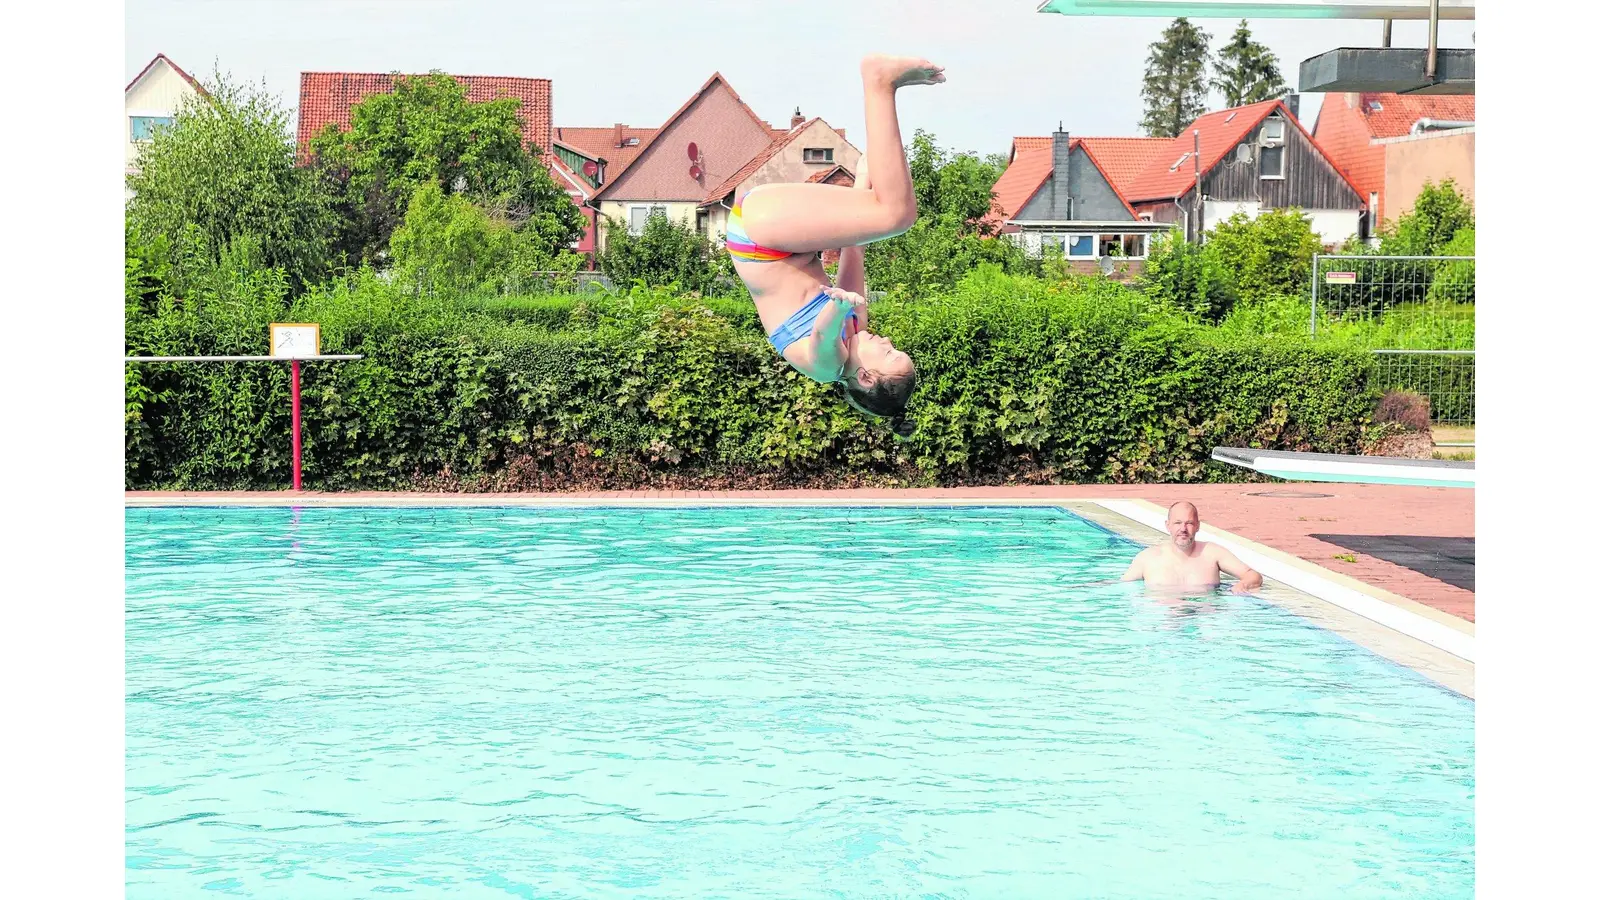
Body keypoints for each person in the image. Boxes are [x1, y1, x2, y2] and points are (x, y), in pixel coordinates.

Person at [725, 55, 944, 439]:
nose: (889, 341)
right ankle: (881, 88)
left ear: (865, 376)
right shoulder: (857, 325)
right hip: (784, 236)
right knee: (888, 213)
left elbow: (820, 338)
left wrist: (836, 305)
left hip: (759, 239)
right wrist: (862, 182)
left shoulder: (828, 367)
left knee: (897, 215)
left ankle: (879, 81)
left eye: (890, 353)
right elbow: (854, 246)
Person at [1121, 501, 1263, 595]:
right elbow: (1118, 588)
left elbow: (1253, 575)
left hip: (1206, 622)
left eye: (1189, 523)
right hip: (1164, 623)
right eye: (1177, 523)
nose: (1183, 529)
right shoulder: (1147, 558)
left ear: (1197, 526)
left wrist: (1242, 585)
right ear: (1167, 525)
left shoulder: (1212, 553)